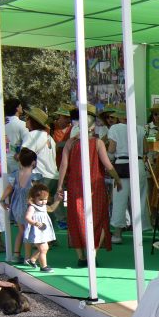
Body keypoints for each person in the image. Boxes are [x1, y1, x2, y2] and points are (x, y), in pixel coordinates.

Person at [57, 114, 120, 267]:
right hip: (95, 186)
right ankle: (93, 254)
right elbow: (108, 165)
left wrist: (59, 186)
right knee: (99, 219)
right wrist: (117, 179)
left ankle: (81, 257)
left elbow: (63, 165)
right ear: (92, 127)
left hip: (74, 185)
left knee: (75, 219)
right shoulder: (98, 143)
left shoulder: (70, 143)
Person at [105, 105, 151, 243]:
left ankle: (117, 234)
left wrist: (107, 158)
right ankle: (140, 231)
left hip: (122, 164)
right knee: (140, 199)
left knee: (120, 199)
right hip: (138, 164)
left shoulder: (115, 128)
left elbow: (111, 149)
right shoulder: (140, 129)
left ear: (119, 117)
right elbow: (146, 150)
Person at [1, 148, 39, 263]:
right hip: (28, 206)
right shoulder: (35, 177)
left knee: (21, 230)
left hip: (16, 205)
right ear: (33, 162)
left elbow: (9, 188)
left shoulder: (15, 175)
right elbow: (36, 191)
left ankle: (16, 255)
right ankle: (28, 257)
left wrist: (2, 200)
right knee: (28, 231)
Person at [21, 182, 62, 272]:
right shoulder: (32, 207)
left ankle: (32, 260)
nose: (43, 201)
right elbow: (27, 217)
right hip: (36, 231)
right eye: (41, 199)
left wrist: (57, 200)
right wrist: (35, 222)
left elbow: (51, 208)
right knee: (43, 249)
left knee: (45, 248)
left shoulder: (43, 206)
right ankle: (44, 266)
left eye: (45, 199)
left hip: (43, 231)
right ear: (33, 198)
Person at [22, 107, 59, 195]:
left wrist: (15, 155)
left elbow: (24, 157)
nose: (25, 121)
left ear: (32, 121)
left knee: (34, 203)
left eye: (27, 118)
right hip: (54, 178)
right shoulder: (50, 138)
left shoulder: (32, 135)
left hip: (39, 177)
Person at [4, 98, 28, 175]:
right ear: (17, 108)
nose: (22, 107)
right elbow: (28, 143)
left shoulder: (1, 124)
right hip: (16, 163)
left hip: (2, 162)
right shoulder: (23, 125)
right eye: (20, 105)